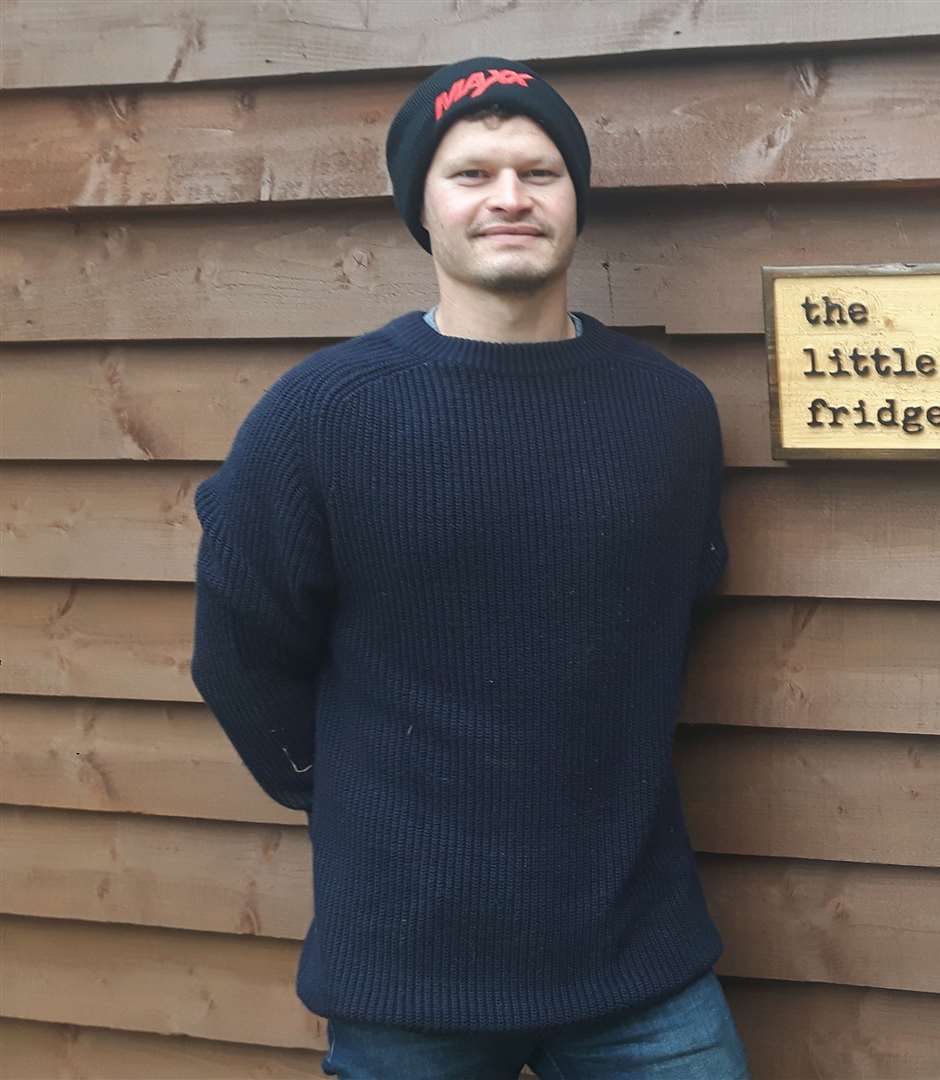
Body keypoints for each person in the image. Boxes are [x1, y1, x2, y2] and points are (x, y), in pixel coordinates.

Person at [191, 57, 746, 1079]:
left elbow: (667, 623)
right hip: (410, 973)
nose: (508, 197)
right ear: (422, 208)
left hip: (635, 956)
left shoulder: (668, 415)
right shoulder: (322, 418)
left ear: (576, 199)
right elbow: (239, 652)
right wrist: (358, 800)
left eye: (539, 171)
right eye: (471, 173)